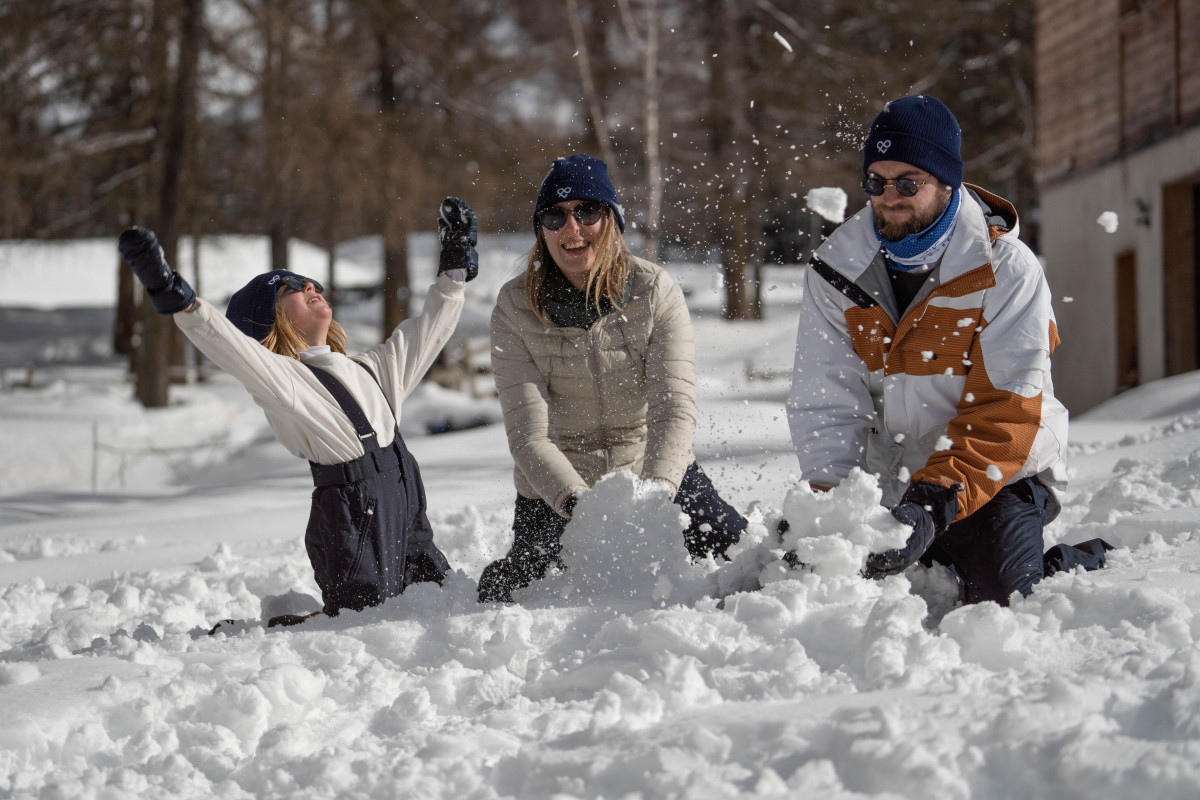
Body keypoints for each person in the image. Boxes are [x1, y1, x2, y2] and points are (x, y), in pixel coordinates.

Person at [786, 95, 1107, 606]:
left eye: (907, 183)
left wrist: (932, 503)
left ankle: (1078, 562)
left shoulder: (1005, 269)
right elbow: (826, 403)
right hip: (894, 485)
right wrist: (831, 507)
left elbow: (1006, 411)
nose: (889, 197)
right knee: (820, 588)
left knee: (1001, 598)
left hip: (996, 475)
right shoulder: (835, 271)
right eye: (876, 182)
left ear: (947, 182)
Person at [118, 197, 479, 618]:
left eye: (311, 283)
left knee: (447, 606)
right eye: (291, 288)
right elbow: (233, 349)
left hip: (408, 525)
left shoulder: (371, 370)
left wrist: (455, 267)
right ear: (269, 323)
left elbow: (427, 332)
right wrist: (176, 298)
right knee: (366, 633)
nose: (311, 287)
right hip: (353, 532)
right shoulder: (287, 384)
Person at [478, 154, 747, 603]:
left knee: (745, 563)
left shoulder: (654, 290)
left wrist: (656, 495)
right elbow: (528, 436)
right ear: (541, 230)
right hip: (557, 492)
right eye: (555, 216)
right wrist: (582, 508)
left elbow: (673, 409)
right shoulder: (513, 307)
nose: (572, 228)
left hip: (651, 471)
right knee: (519, 596)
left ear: (613, 219)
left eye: (587, 212)